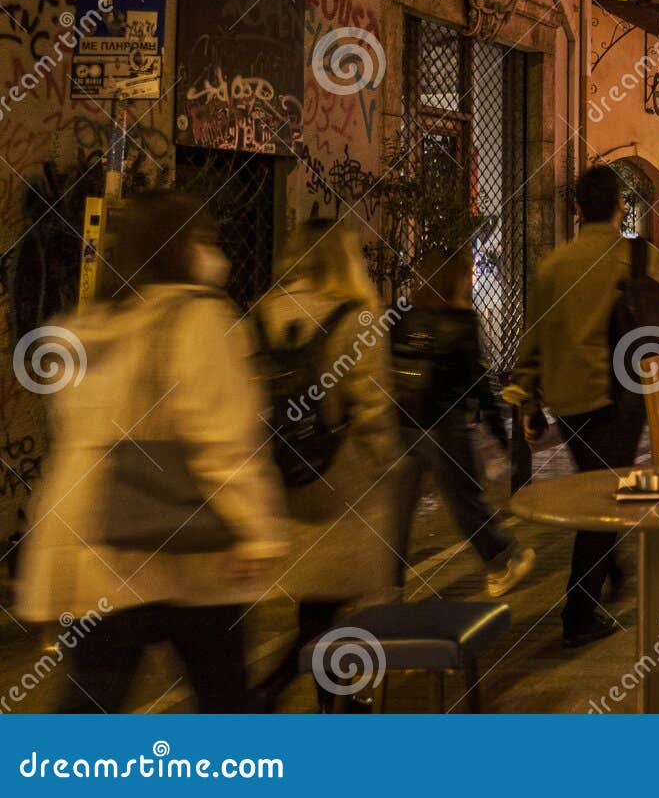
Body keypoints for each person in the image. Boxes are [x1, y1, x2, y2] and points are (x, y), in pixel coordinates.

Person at [20, 192, 287, 712]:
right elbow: (222, 442)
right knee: (226, 700)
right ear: (184, 246)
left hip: (93, 547)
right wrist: (256, 531)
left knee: (89, 706)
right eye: (206, 240)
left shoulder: (89, 324)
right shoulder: (200, 321)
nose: (216, 254)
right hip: (188, 549)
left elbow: (73, 440)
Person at [505, 165, 659, 648]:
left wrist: (526, 395)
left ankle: (611, 570)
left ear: (579, 208)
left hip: (566, 399)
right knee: (605, 498)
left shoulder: (553, 264)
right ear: (619, 206)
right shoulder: (637, 256)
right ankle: (578, 614)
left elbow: (534, 334)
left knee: (599, 488)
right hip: (616, 394)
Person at [252, 218, 402, 709]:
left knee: (316, 600)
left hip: (283, 481)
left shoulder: (262, 315)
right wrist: (386, 466)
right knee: (344, 602)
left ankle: (328, 698)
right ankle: (300, 691)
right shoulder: (357, 319)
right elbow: (373, 409)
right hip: (342, 480)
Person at [390, 248, 536, 602]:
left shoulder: (400, 316)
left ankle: (387, 589)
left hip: (404, 423)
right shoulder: (461, 321)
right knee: (465, 501)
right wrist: (499, 433)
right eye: (467, 274)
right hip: (446, 426)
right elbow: (478, 383)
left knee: (397, 514)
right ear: (454, 280)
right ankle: (502, 560)